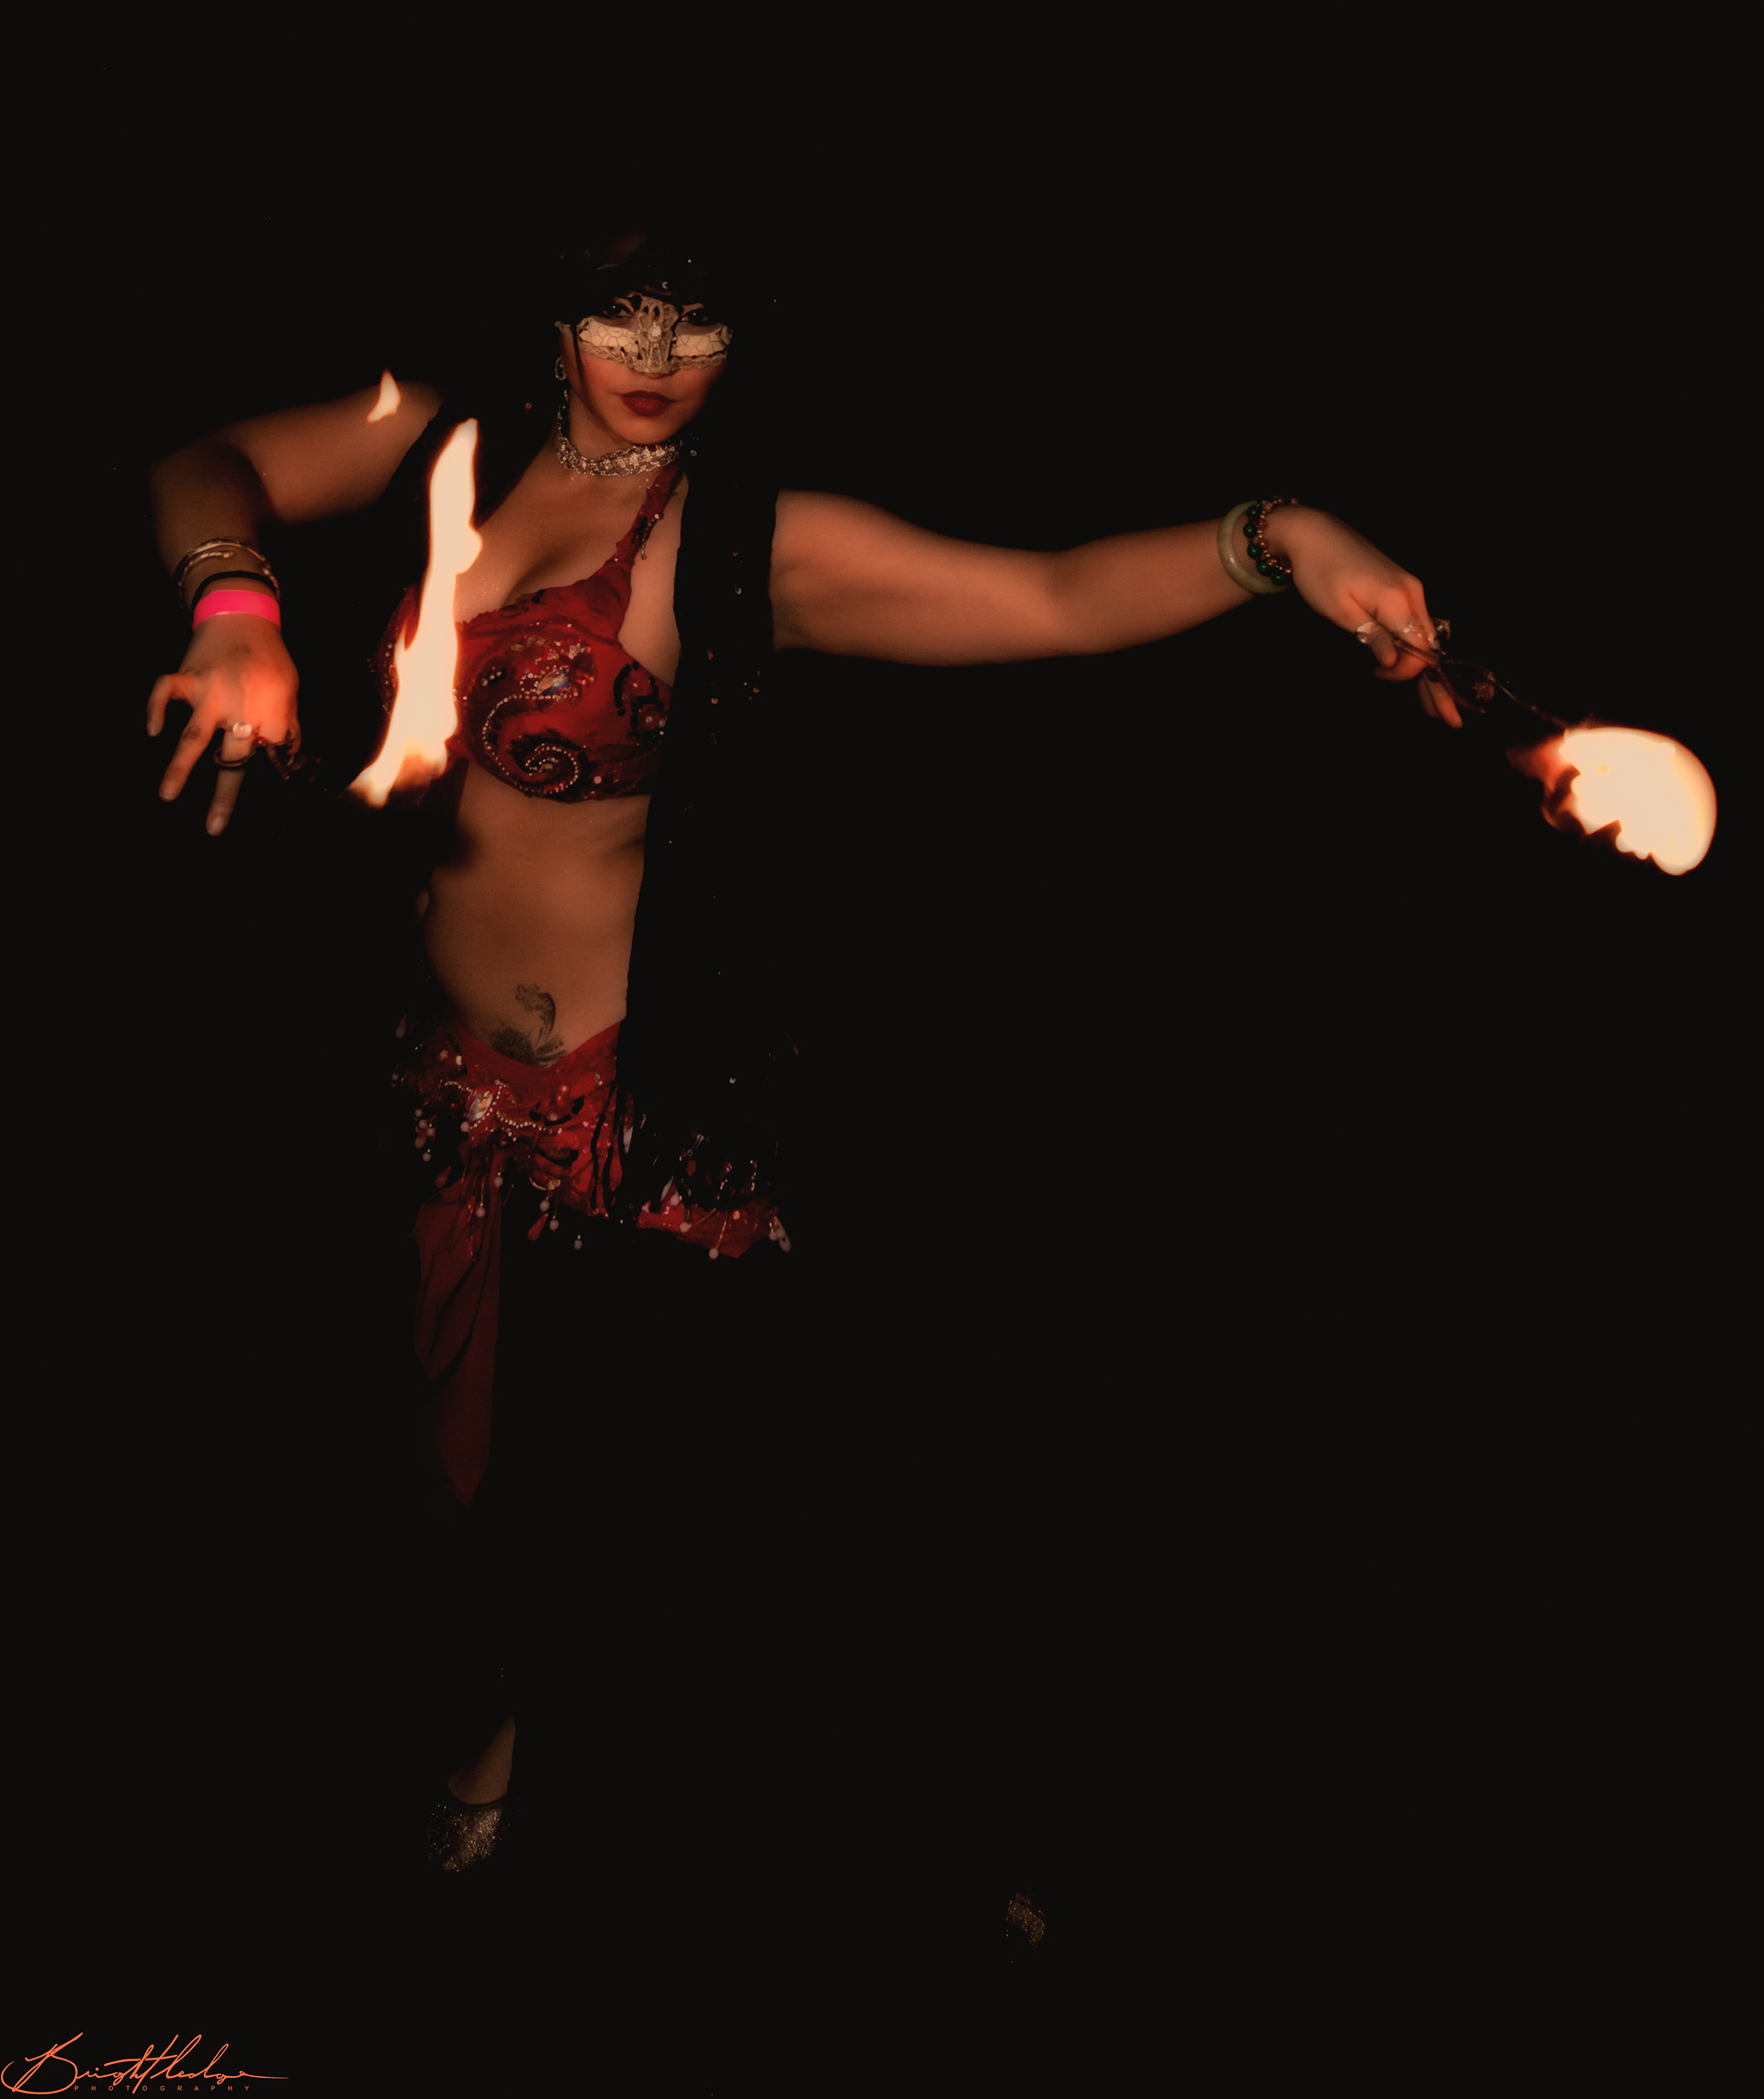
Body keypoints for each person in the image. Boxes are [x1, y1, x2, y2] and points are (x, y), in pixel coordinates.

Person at [143, 220, 1455, 1880]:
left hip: (629, 1115)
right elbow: (207, 465)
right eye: (623, 307)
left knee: (731, 1512)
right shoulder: (442, 432)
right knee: (438, 1482)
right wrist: (238, 609)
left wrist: (1278, 539)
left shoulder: (741, 539)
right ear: (557, 305)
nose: (656, 353)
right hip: (424, 1078)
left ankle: (936, 1832)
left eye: (696, 318)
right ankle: (500, 1711)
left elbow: (1049, 597)